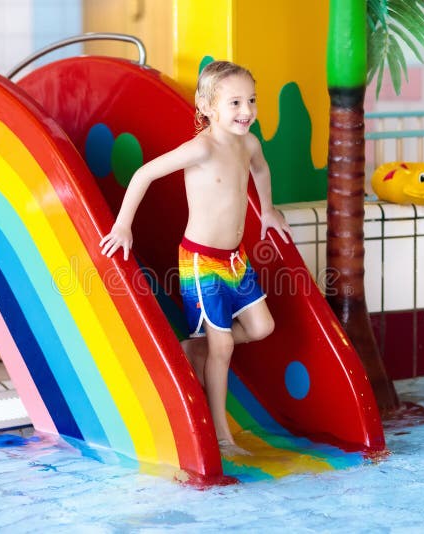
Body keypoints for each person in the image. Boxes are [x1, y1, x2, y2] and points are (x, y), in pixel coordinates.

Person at [99, 60, 291, 455]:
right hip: (202, 261)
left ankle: (195, 348)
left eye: (251, 100)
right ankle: (222, 434)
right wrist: (123, 226)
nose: (247, 111)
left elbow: (261, 169)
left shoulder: (248, 144)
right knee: (224, 348)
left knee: (262, 328)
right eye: (235, 102)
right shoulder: (201, 147)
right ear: (207, 107)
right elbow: (143, 175)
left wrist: (268, 210)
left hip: (235, 259)